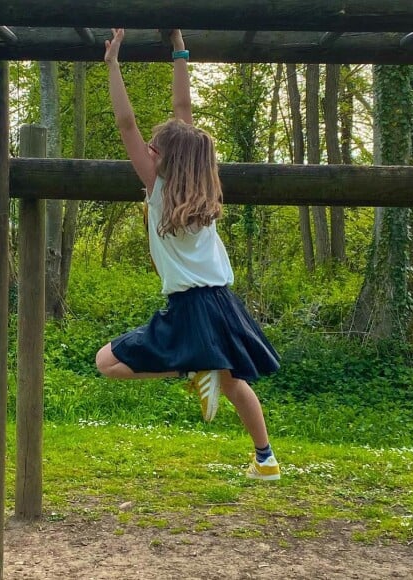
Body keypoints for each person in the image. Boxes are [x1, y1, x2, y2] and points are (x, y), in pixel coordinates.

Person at [95, 28, 281, 481]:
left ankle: (192, 372)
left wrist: (112, 65)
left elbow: (127, 124)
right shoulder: (204, 186)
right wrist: (178, 47)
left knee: (107, 363)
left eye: (155, 149)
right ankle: (266, 459)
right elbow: (183, 112)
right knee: (233, 383)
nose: (149, 149)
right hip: (223, 303)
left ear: (161, 160)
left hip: (190, 305)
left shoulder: (156, 189)